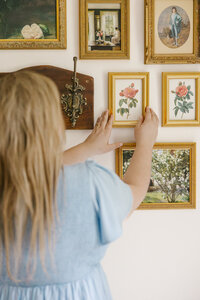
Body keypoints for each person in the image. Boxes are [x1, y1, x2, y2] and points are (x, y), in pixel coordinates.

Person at [0, 71, 159, 300]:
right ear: (51, 124)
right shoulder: (89, 183)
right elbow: (135, 190)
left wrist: (85, 149)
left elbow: (28, 170)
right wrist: (145, 144)